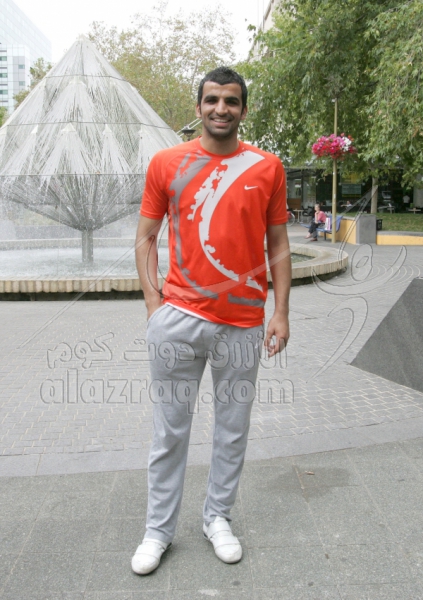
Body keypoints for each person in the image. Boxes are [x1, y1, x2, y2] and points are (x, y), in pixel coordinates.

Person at [132, 67, 291, 575]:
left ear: (243, 109)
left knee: (232, 429)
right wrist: (155, 308)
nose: (221, 108)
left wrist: (281, 312)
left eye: (231, 101)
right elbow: (146, 238)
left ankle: (217, 518)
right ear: (198, 106)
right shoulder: (167, 163)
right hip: (178, 321)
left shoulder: (268, 167)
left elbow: (279, 244)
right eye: (212, 99)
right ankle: (158, 531)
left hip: (243, 324)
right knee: (169, 432)